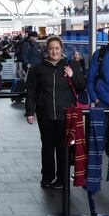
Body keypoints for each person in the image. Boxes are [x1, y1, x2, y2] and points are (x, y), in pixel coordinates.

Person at [25, 37, 86, 189]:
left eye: (57, 48)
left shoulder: (70, 65)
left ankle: (62, 178)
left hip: (65, 115)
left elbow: (82, 86)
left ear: (61, 49)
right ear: (47, 50)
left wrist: (73, 75)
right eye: (51, 48)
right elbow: (31, 91)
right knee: (47, 147)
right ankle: (47, 176)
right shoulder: (38, 69)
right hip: (45, 115)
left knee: (63, 148)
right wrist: (30, 112)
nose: (54, 51)